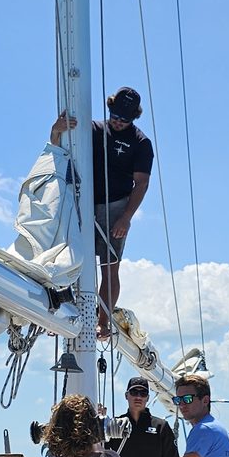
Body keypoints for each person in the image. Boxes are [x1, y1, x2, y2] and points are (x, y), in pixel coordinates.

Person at [49, 86, 153, 336]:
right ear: (110, 108)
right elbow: (59, 149)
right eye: (115, 116)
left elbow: (142, 183)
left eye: (124, 119)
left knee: (109, 265)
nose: (118, 122)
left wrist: (126, 217)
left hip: (116, 205)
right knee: (68, 257)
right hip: (83, 201)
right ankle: (63, 310)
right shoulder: (92, 130)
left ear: (134, 117)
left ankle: (103, 321)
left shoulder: (141, 143)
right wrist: (56, 130)